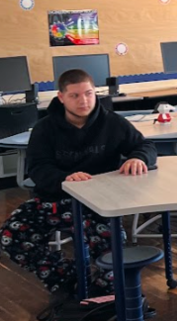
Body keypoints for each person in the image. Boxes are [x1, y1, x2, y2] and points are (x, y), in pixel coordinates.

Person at [0, 69, 157, 294]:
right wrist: (64, 178)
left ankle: (102, 295)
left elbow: (146, 146)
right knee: (9, 237)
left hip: (98, 203)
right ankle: (67, 279)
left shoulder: (112, 122)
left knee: (113, 252)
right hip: (55, 199)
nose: (83, 101)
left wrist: (137, 157)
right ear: (61, 97)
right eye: (74, 95)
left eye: (88, 93)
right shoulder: (45, 128)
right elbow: (37, 168)